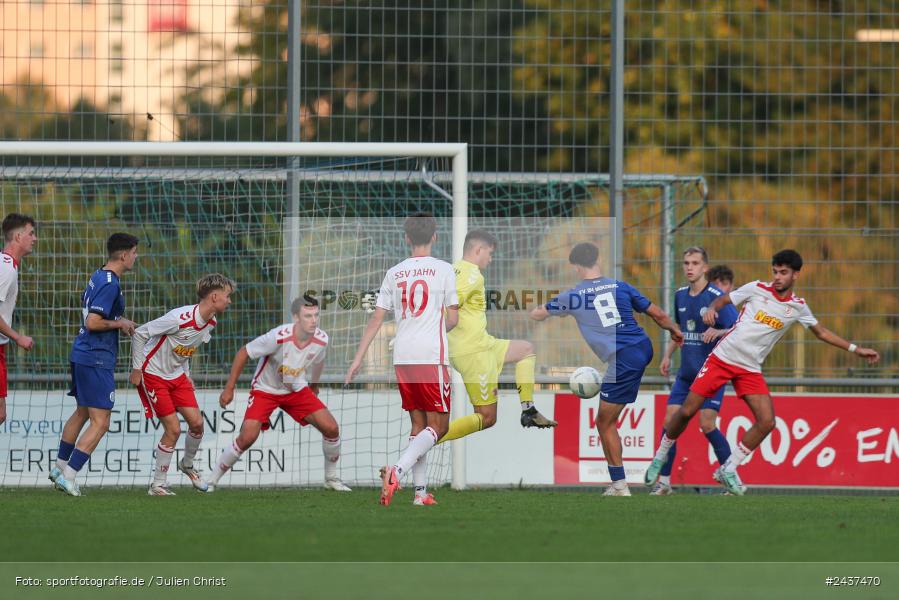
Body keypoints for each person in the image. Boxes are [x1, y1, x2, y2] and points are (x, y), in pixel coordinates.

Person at [645, 250, 880, 495]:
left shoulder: (797, 307)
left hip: (749, 368)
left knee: (767, 421)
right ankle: (660, 456)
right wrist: (712, 307)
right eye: (775, 271)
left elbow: (821, 332)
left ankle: (728, 468)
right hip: (723, 358)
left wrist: (856, 349)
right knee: (687, 410)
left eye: (784, 272)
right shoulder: (756, 288)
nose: (777, 277)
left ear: (796, 275)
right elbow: (724, 300)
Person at [530, 242, 683, 496]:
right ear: (597, 260)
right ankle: (618, 483)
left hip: (624, 357)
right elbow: (656, 313)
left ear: (577, 267)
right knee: (606, 419)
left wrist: (534, 310)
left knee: (604, 421)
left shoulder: (574, 295)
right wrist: (675, 331)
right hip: (641, 346)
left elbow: (539, 314)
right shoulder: (620, 286)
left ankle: (620, 485)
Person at [345, 213, 459, 506]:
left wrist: (357, 359)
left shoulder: (394, 272)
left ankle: (420, 494)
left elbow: (376, 319)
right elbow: (454, 318)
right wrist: (435, 326)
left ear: (406, 238)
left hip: (403, 356)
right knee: (440, 426)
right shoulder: (445, 270)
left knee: (418, 424)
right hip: (431, 356)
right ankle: (396, 471)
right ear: (435, 236)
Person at [209, 295, 350, 492]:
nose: (314, 320)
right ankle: (211, 481)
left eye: (316, 315)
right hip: (265, 390)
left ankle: (331, 479)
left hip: (295, 389)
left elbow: (318, 361)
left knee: (331, 428)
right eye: (308, 316)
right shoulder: (278, 337)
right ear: (296, 318)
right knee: (248, 437)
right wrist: (229, 388)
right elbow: (243, 352)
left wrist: (314, 386)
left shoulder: (321, 339)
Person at [439, 229, 555, 445]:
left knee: (526, 349)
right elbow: (448, 306)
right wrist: (425, 333)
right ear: (478, 249)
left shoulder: (451, 269)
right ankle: (427, 440)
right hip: (473, 353)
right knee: (487, 417)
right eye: (489, 253)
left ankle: (528, 410)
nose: (490, 259)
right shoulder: (472, 275)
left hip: (484, 344)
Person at [130, 274, 235, 496]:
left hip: (177, 376)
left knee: (197, 424)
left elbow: (186, 349)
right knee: (174, 429)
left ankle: (187, 465)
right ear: (215, 296)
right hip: (153, 374)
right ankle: (157, 484)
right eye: (227, 296)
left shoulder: (211, 321)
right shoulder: (178, 318)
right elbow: (140, 334)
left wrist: (186, 374)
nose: (229, 301)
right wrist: (137, 369)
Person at [52, 233, 139, 496]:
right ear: (124, 255)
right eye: (135, 252)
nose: (136, 257)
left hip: (83, 354)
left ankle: (59, 467)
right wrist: (120, 323)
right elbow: (92, 322)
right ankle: (69, 476)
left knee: (82, 412)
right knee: (100, 422)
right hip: (96, 357)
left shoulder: (100, 275)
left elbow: (95, 312)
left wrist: (117, 320)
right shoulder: (111, 284)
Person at [653, 249, 737, 495]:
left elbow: (739, 328)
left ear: (705, 268)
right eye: (686, 263)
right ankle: (664, 483)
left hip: (711, 374)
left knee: (707, 424)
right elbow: (681, 329)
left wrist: (719, 332)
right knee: (670, 422)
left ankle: (731, 478)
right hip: (686, 374)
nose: (690, 267)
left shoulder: (716, 297)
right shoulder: (680, 295)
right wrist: (668, 354)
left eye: (695, 263)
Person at [0, 213, 37, 427]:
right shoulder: (6, 269)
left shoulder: (8, 265)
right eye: (31, 233)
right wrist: (18, 337)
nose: (35, 238)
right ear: (18, 237)